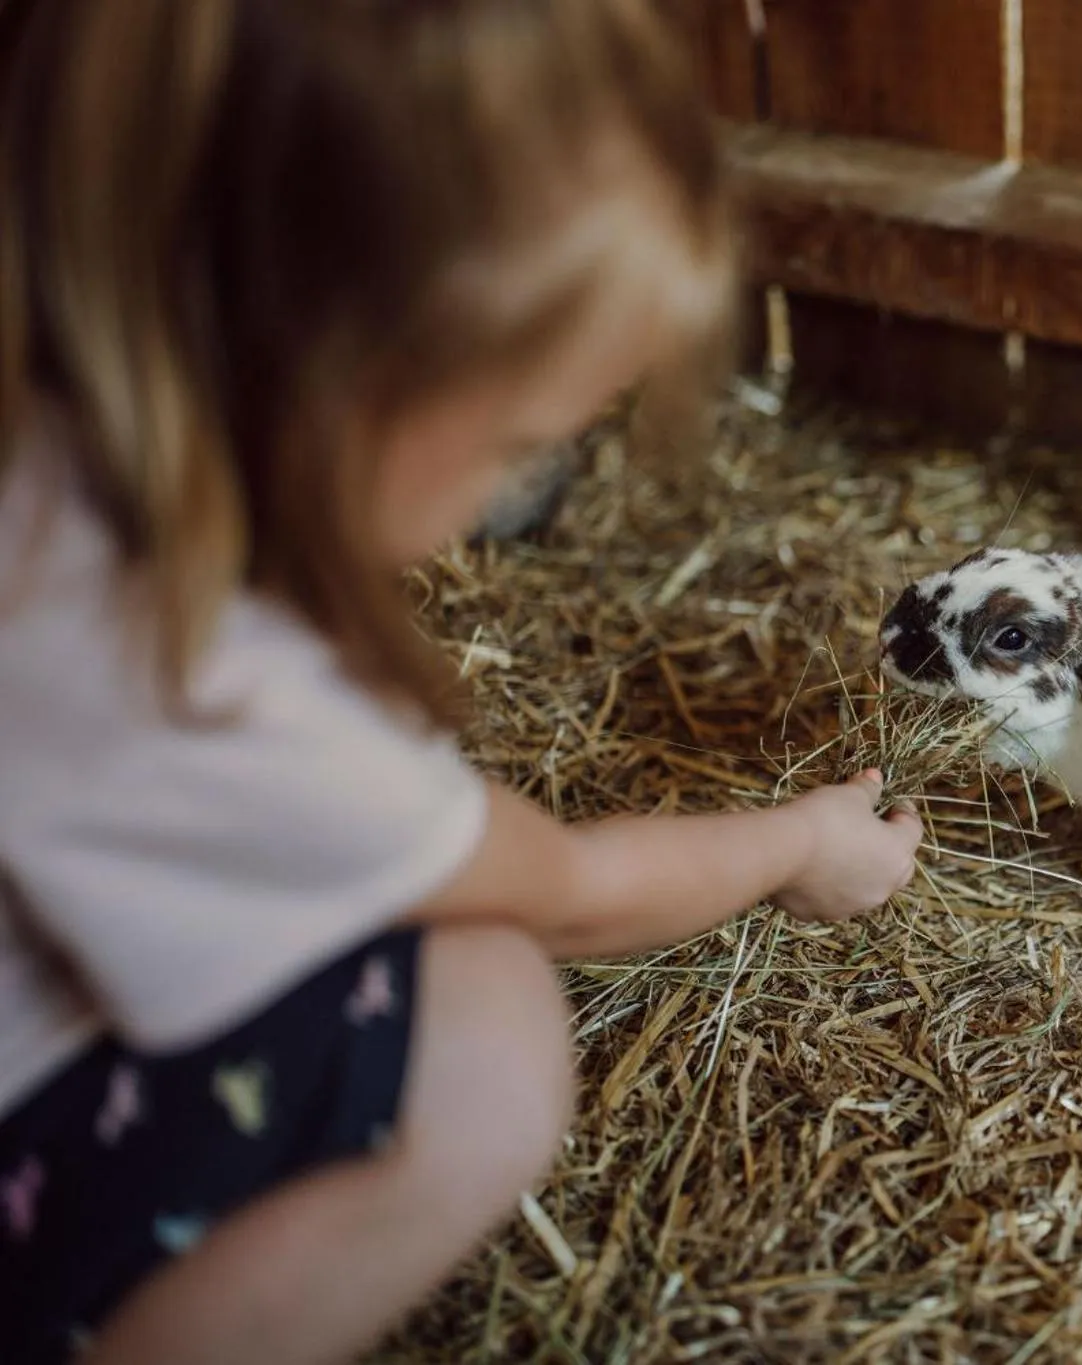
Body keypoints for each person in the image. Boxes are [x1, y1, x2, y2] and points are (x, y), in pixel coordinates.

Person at [0, 3, 925, 1362]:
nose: (510, 489)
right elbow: (567, 889)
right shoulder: (207, 688)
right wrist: (802, 844)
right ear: (329, 383)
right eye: (516, 441)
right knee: (488, 1029)